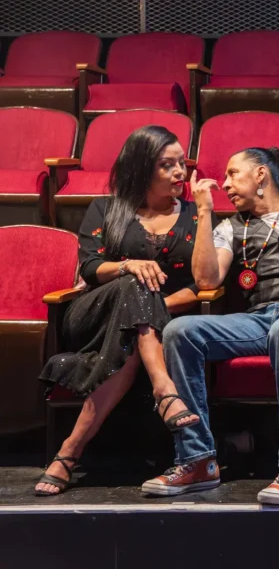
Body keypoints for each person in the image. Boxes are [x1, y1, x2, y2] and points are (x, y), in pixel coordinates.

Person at [142, 147, 279, 504]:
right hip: (260, 317)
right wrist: (205, 213)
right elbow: (207, 280)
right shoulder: (230, 226)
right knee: (181, 332)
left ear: (260, 175)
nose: (225, 184)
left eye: (232, 174)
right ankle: (198, 460)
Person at [35, 126, 200, 495]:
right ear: (142, 169)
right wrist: (129, 266)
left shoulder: (194, 214)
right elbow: (91, 267)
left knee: (133, 327)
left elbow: (200, 285)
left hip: (153, 323)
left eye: (181, 164)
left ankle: (67, 453)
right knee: (134, 282)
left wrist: (152, 307)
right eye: (166, 165)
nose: (179, 173)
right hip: (94, 314)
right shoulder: (106, 208)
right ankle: (164, 388)